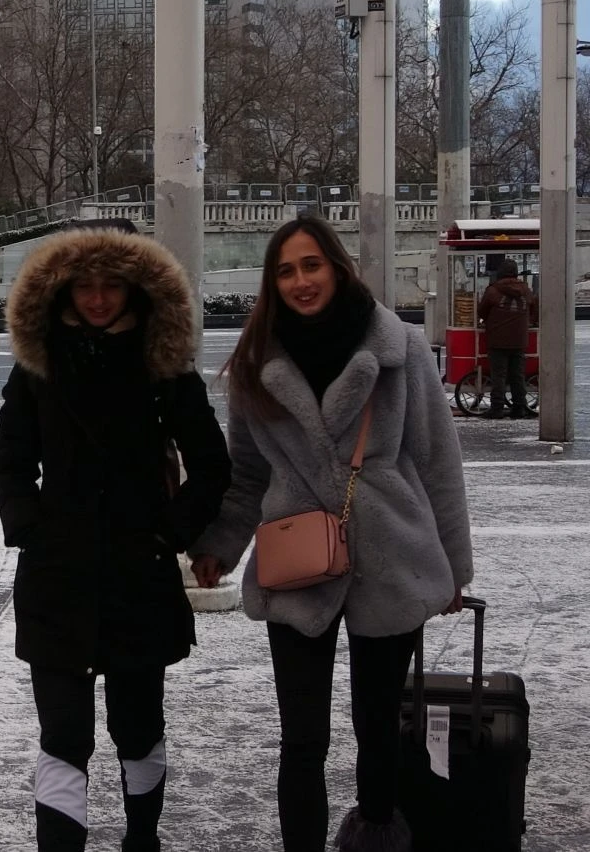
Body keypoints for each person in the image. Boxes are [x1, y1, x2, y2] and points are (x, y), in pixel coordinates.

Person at [188, 216, 472, 852]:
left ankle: (376, 834)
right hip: (296, 557)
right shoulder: (257, 363)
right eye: (286, 271)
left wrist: (454, 567)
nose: (301, 281)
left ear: (337, 268)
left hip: (390, 553)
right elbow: (247, 474)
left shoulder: (398, 348)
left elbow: (435, 462)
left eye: (311, 265)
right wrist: (221, 545)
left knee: (377, 725)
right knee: (302, 736)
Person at [0, 226, 231, 852]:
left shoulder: (163, 368)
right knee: (63, 736)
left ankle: (141, 840)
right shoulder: (39, 366)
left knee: (139, 728)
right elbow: (11, 461)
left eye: (112, 286)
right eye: (85, 286)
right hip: (58, 575)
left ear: (136, 290)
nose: (98, 299)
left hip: (137, 572)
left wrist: (171, 532)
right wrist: (30, 527)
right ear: (64, 290)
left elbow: (212, 465)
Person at [476, 258, 538, 419]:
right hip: (519, 340)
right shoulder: (526, 290)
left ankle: (497, 408)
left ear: (500, 273)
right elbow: (534, 308)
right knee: (518, 376)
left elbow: (482, 311)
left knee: (499, 376)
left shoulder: (493, 290)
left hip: (497, 339)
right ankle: (519, 408)